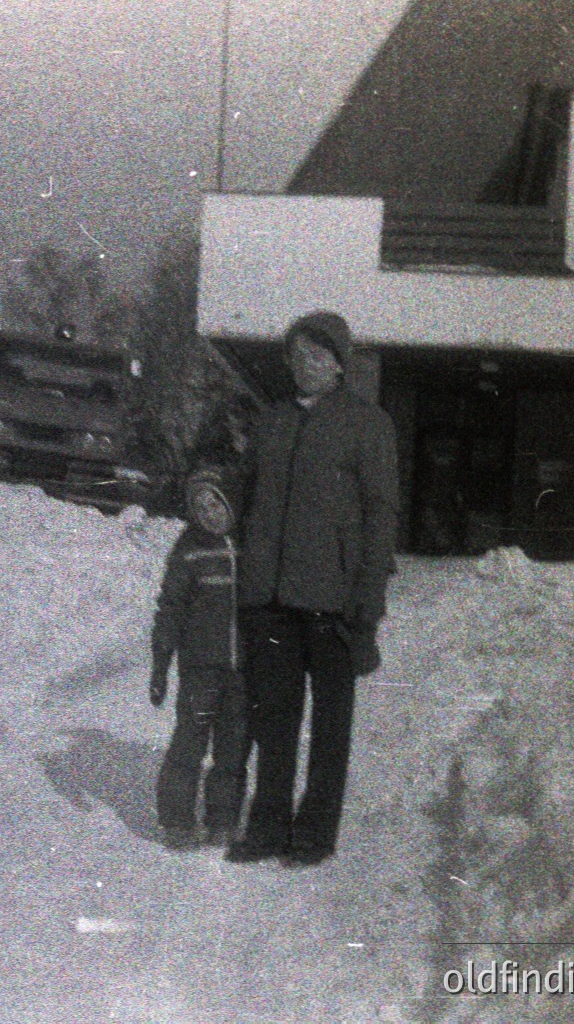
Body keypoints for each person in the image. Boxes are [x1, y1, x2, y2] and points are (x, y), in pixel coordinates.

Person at [227, 311, 399, 868]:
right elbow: (242, 497)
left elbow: (381, 515)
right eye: (298, 354)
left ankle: (315, 832)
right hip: (270, 598)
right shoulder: (271, 422)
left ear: (340, 364)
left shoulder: (368, 424)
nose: (307, 364)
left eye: (319, 355)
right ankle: (267, 827)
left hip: (333, 600)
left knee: (330, 727)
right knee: (273, 721)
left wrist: (368, 602)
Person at [149, 463, 249, 850]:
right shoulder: (189, 549)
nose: (210, 513)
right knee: (189, 743)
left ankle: (223, 821)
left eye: (215, 503)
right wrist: (160, 666)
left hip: (243, 670)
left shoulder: (250, 543)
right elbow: (170, 608)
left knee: (233, 748)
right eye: (201, 507)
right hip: (201, 668)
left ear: (230, 501)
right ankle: (177, 822)